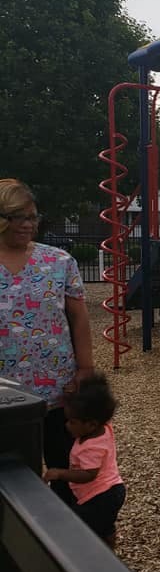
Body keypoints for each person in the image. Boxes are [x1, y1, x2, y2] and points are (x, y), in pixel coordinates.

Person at [0, 178, 95, 506]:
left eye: (32, 217)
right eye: (18, 217)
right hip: (5, 397)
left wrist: (85, 369)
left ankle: (69, 529)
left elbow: (79, 318)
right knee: (10, 475)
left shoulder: (59, 262)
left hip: (57, 390)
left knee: (65, 468)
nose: (28, 225)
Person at [43, 372, 125, 549]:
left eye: (72, 422)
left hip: (100, 497)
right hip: (110, 490)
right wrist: (73, 395)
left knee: (80, 526)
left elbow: (88, 474)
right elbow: (100, 405)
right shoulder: (104, 426)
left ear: (91, 424)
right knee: (103, 526)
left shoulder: (91, 447)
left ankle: (93, 555)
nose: (67, 425)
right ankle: (109, 547)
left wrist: (60, 473)